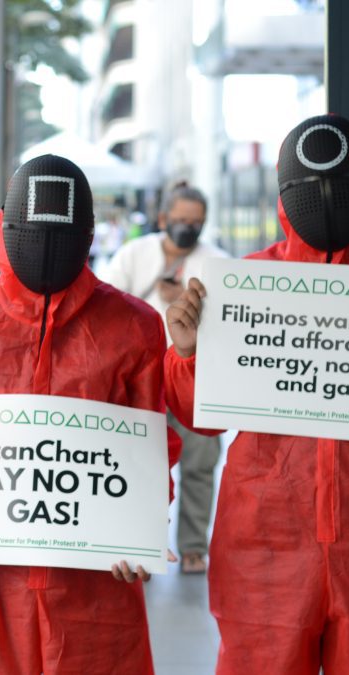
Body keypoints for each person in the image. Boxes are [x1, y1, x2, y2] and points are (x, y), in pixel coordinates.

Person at [0, 154, 179, 674]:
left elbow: (150, 442)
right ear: (5, 226)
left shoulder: (134, 327)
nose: (45, 250)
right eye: (31, 234)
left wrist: (139, 528)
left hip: (94, 584)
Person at [165, 115, 349, 674]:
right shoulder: (242, 286)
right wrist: (187, 353)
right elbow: (199, 419)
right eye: (311, 191)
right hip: (264, 547)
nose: (328, 202)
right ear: (286, 199)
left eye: (343, 188)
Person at [99, 182, 228, 574]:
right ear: (162, 220)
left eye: (196, 222)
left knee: (200, 465)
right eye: (180, 220)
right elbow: (107, 303)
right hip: (144, 379)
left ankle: (192, 547)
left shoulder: (218, 262)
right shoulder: (134, 254)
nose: (187, 228)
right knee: (141, 466)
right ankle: (142, 544)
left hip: (197, 380)